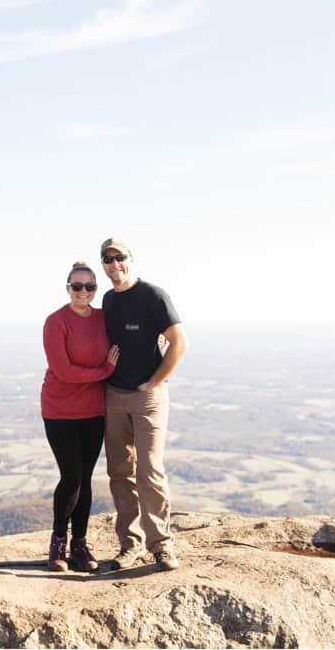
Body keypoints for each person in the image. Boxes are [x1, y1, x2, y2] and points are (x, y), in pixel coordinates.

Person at [99, 237, 188, 572]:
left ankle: (162, 546)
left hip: (148, 396)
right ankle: (130, 544)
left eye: (119, 257)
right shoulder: (108, 299)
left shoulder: (153, 295)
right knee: (120, 471)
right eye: (107, 260)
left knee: (149, 470)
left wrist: (157, 380)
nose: (114, 265)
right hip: (114, 394)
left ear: (131, 258)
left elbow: (180, 342)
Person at [41, 261, 120, 572]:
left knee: (85, 479)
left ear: (96, 290)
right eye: (77, 286)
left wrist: (160, 341)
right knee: (71, 476)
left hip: (93, 410)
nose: (83, 291)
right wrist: (104, 372)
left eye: (90, 286)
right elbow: (63, 371)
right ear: (68, 289)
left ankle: (80, 545)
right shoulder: (56, 322)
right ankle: (58, 543)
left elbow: (131, 331)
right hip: (59, 409)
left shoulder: (103, 319)